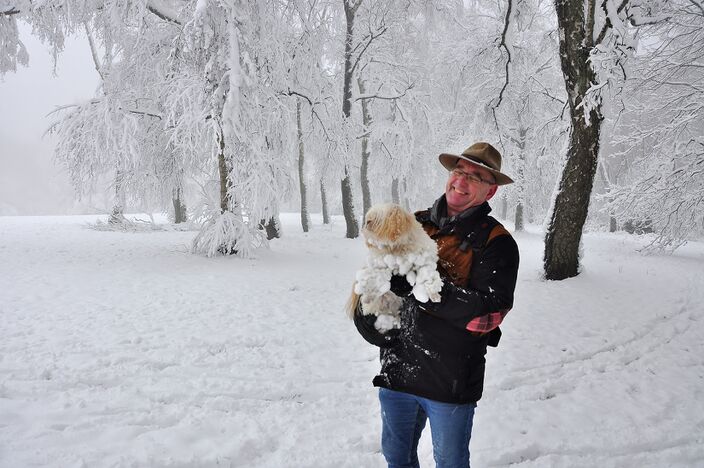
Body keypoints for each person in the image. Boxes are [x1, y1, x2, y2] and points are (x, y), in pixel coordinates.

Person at [354, 142, 520, 468]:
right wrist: (368, 318)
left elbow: (487, 315)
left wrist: (424, 287)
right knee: (397, 460)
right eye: (459, 171)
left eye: (476, 176)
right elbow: (375, 278)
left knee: (450, 463)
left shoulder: (496, 242)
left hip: (450, 383)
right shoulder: (413, 223)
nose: (462, 180)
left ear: (490, 192)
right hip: (398, 373)